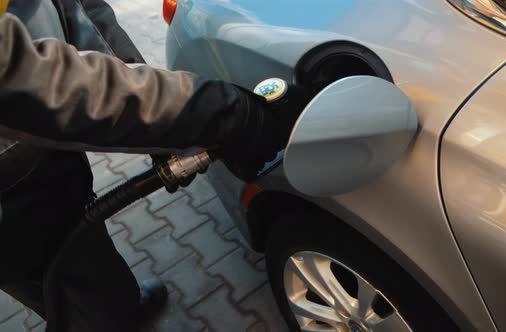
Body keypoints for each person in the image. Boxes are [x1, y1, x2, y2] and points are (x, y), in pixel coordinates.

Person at [0, 1, 301, 331]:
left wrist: (163, 131)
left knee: (80, 248)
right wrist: (219, 114)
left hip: (35, 149)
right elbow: (20, 75)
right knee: (62, 279)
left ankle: (121, 306)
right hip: (11, 180)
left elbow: (82, 11)